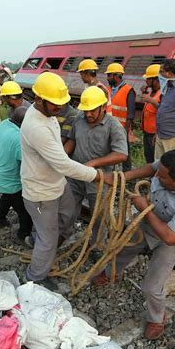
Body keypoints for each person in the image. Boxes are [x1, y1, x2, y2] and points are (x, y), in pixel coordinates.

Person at [93, 149, 175, 340]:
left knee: (152, 286)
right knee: (123, 248)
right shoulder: (169, 166)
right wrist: (120, 177)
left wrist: (144, 208)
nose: (156, 176)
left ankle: (156, 318)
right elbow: (151, 167)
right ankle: (111, 273)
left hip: (170, 236)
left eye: (161, 177)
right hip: (146, 222)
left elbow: (170, 237)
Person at [20, 72, 100, 290]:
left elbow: (60, 158)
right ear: (38, 99)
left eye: (61, 103)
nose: (60, 108)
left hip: (57, 184)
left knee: (68, 216)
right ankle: (35, 276)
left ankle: (39, 243)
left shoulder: (47, 114)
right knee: (49, 235)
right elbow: (63, 164)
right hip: (41, 192)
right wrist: (99, 175)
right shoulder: (37, 127)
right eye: (55, 104)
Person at [64, 86, 128, 241]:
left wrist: (94, 162)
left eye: (92, 110)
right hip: (76, 175)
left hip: (99, 180)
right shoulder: (79, 120)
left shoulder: (114, 126)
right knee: (67, 209)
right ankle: (62, 236)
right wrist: (62, 157)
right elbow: (72, 140)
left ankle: (97, 245)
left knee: (100, 216)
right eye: (85, 110)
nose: (88, 114)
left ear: (103, 107)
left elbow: (121, 154)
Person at [0, 106, 33, 246]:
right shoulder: (18, 138)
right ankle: (23, 235)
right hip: (10, 178)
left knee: (8, 196)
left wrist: (4, 150)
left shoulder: (4, 123)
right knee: (24, 210)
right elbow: (27, 163)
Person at [105, 62, 136, 170]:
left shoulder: (128, 90)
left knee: (124, 152)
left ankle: (127, 174)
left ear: (116, 75)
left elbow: (131, 113)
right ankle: (111, 172)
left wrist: (125, 130)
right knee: (109, 151)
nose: (107, 78)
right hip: (109, 127)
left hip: (122, 128)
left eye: (109, 75)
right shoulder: (107, 90)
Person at [140, 64, 162, 163]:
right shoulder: (150, 93)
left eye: (148, 79)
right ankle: (150, 177)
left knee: (156, 159)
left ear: (156, 79)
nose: (146, 81)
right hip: (146, 133)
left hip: (154, 134)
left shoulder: (162, 94)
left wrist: (152, 101)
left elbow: (163, 112)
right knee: (148, 157)